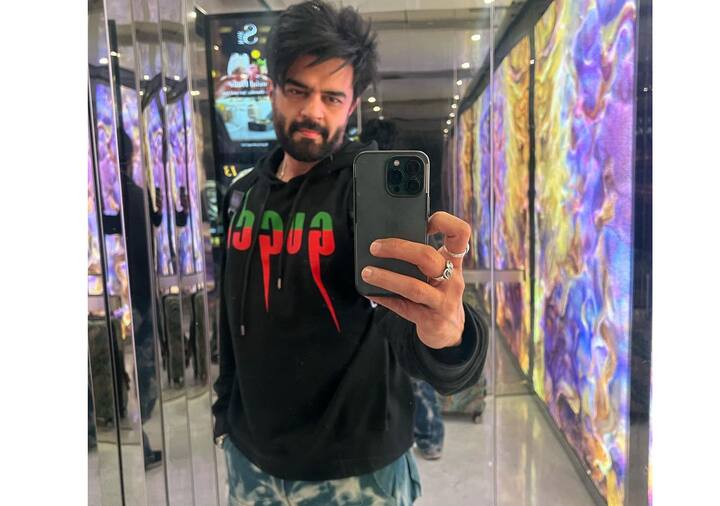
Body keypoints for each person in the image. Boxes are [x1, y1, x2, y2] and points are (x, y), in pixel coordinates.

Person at [212, 2, 488, 504]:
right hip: (250, 465)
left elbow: (404, 325)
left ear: (353, 103)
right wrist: (224, 417)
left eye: (332, 97)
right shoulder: (243, 195)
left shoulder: (364, 195)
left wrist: (451, 335)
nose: (313, 111)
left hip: (358, 475)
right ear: (272, 89)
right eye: (298, 90)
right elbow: (232, 321)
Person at [361, 118, 447, 461]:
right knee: (414, 365)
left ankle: (406, 434)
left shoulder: (362, 179)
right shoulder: (410, 175)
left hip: (374, 283)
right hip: (410, 279)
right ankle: (430, 438)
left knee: (397, 365)